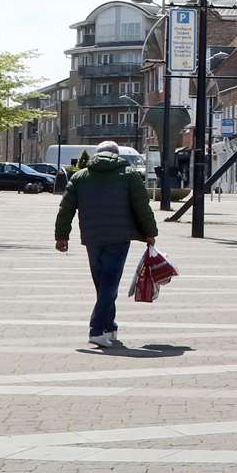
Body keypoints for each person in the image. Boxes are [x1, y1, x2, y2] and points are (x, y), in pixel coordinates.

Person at [52, 140, 157, 349]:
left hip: (92, 237)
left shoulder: (81, 176)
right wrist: (150, 232)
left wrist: (61, 236)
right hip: (119, 237)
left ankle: (109, 326)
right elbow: (142, 206)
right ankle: (97, 329)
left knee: (102, 283)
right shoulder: (128, 175)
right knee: (110, 283)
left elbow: (66, 208)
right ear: (117, 155)